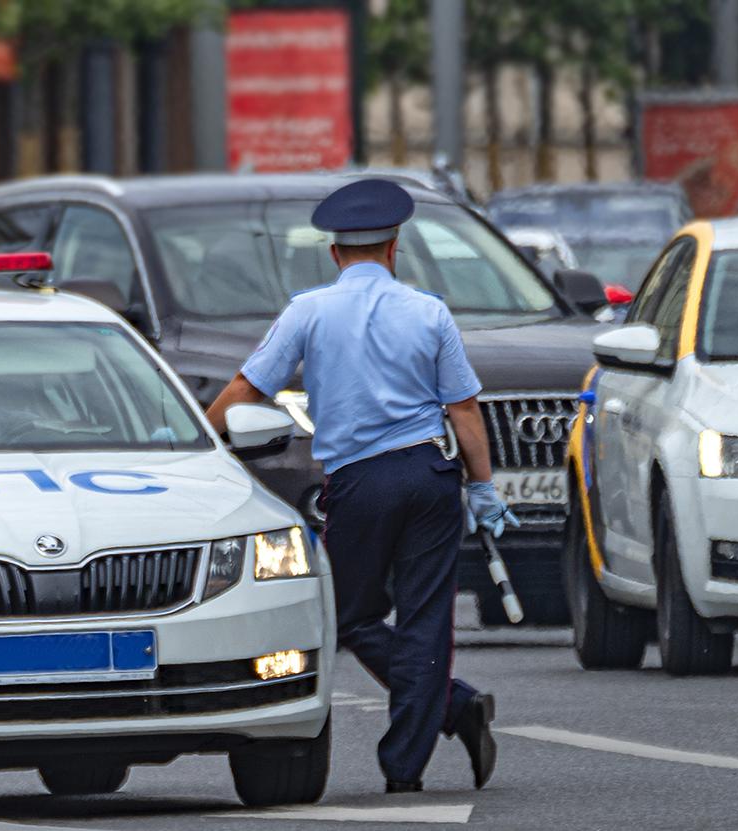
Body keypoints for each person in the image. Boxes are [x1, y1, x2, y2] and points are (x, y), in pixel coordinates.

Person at [206, 179, 518, 794]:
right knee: (427, 619)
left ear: (335, 254)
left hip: (359, 483)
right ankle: (415, 754)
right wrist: (482, 488)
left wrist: (198, 442)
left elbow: (246, 391)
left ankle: (450, 713)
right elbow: (466, 412)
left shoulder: (308, 311)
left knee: (347, 616)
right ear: (395, 247)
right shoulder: (430, 312)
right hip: (430, 476)